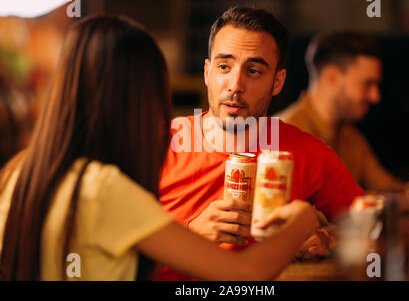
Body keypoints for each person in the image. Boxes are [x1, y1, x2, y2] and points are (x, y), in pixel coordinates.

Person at [0, 15, 319, 281]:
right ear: (137, 101)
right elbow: (243, 272)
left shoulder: (20, 171)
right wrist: (304, 219)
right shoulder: (102, 188)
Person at [156, 6, 365, 280]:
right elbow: (106, 258)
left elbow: (369, 225)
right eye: (223, 67)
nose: (235, 84)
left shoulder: (307, 153)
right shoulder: (157, 145)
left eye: (253, 71)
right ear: (207, 72)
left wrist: (331, 238)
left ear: (277, 82)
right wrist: (190, 236)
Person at [276, 31, 404, 192]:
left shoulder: (351, 137)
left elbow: (391, 191)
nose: (375, 96)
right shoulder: (283, 135)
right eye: (367, 84)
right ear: (332, 77)